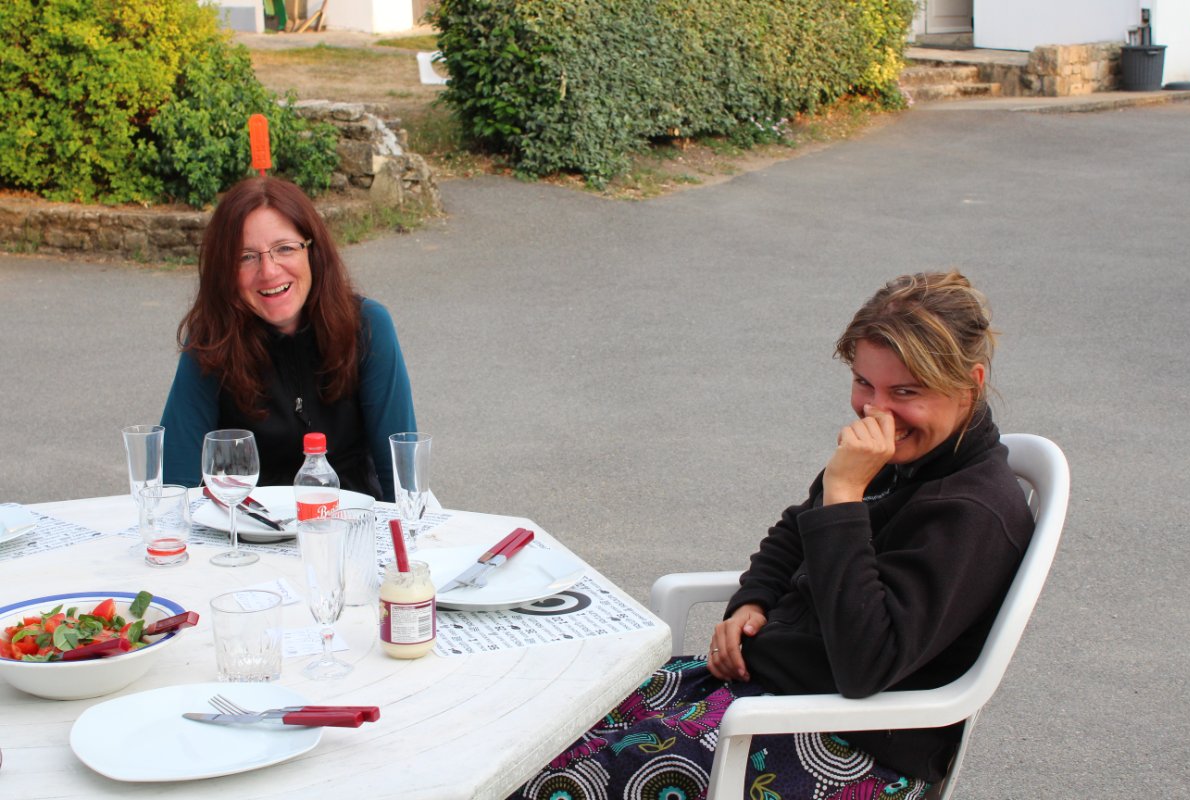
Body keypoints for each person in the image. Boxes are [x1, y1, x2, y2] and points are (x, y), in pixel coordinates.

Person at [511, 272, 1035, 800]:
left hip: (847, 746)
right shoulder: (902, 457)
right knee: (538, 731)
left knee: (559, 784)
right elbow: (795, 534)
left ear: (969, 385)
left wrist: (845, 495)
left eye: (905, 391)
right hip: (762, 690)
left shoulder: (970, 515)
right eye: (863, 383)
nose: (876, 411)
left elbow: (866, 665)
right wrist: (752, 601)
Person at [160, 176, 416, 500]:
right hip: (247, 524)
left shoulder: (367, 326)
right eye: (246, 256)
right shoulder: (212, 338)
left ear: (313, 251)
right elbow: (174, 484)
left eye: (285, 248)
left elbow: (402, 478)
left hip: (351, 520)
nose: (269, 271)